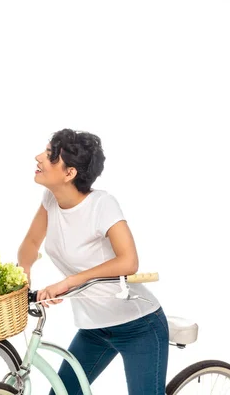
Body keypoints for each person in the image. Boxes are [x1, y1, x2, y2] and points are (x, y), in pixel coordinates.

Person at [17, 128, 169, 395]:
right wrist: (23, 276)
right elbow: (30, 244)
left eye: (50, 155)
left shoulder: (102, 205)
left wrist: (70, 282)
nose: (38, 157)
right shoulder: (50, 199)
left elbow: (129, 261)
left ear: (69, 173)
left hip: (138, 325)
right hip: (94, 328)